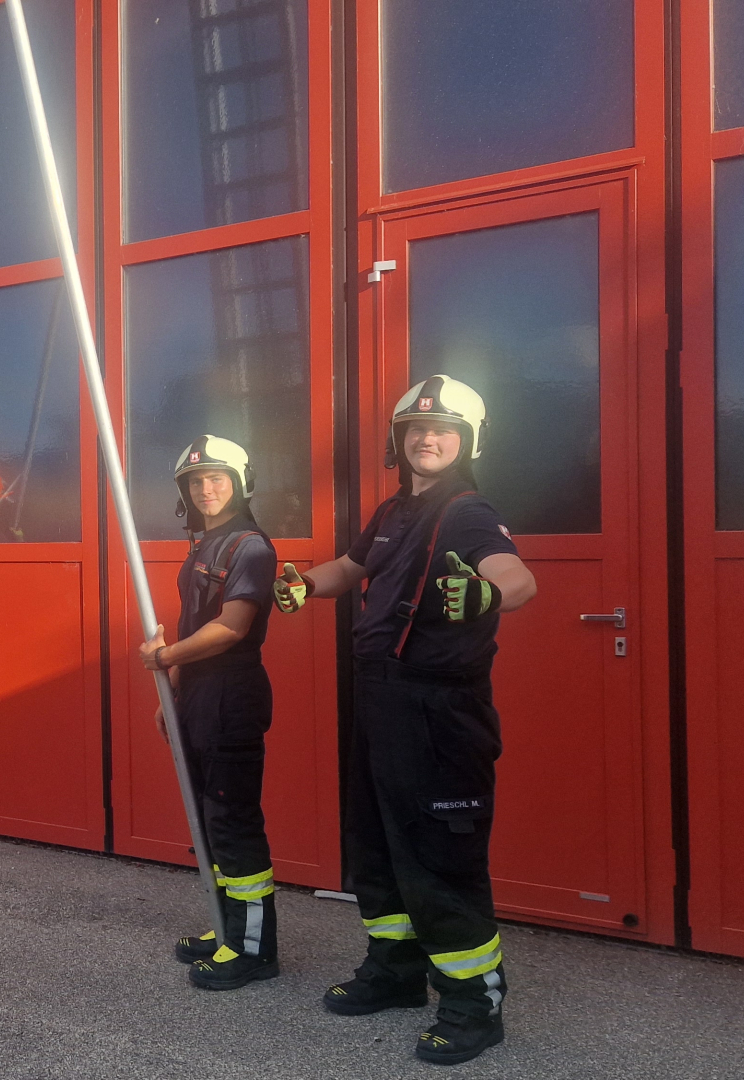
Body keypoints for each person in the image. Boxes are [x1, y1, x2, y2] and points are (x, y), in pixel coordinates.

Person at [273, 375, 536, 1065]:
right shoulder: (393, 512)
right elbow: (349, 567)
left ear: (468, 440)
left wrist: (482, 592)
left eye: (443, 429)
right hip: (382, 699)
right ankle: (394, 974)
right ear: (399, 442)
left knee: (440, 857)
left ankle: (475, 1003)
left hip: (439, 709)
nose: (427, 437)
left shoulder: (467, 513)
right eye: (415, 430)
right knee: (379, 846)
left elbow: (518, 581)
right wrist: (300, 581)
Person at [137, 435, 282, 991]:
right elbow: (193, 622)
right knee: (209, 822)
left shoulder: (250, 546)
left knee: (232, 820)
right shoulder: (204, 545)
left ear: (241, 482)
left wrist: (164, 657)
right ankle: (227, 926)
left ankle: (253, 950)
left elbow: (231, 627)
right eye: (196, 482)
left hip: (232, 696)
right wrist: (170, 689)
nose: (206, 489)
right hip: (197, 693)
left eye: (217, 478)